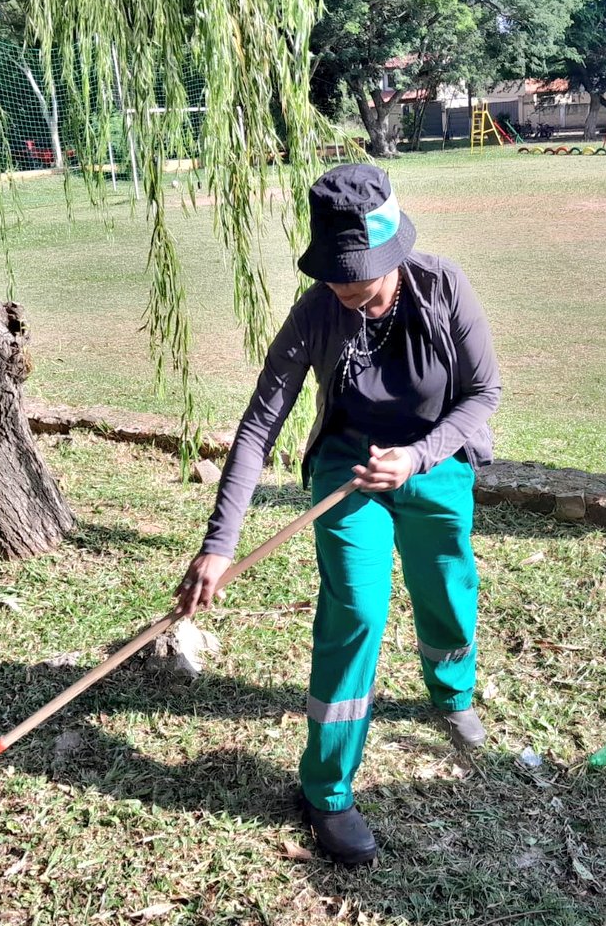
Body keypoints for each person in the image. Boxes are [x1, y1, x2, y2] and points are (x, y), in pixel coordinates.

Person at [175, 164, 501, 865]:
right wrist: (219, 543)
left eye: (363, 275)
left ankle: (452, 688)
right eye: (337, 274)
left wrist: (417, 458)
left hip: (436, 464)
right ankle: (326, 789)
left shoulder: (443, 287)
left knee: (446, 582)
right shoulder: (318, 311)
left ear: (393, 251)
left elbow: (482, 394)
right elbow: (260, 425)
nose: (349, 288)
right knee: (356, 607)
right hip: (347, 470)